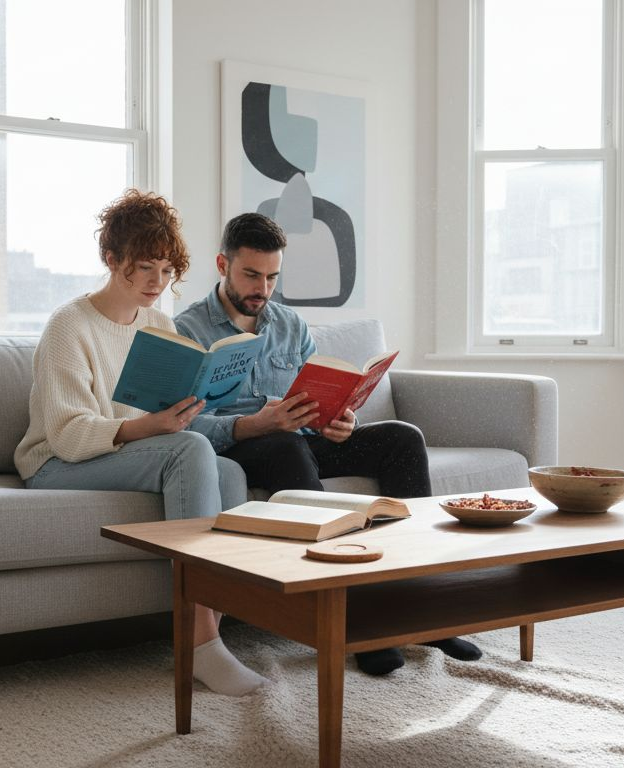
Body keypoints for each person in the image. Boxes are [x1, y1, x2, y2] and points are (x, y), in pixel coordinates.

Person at [173, 212, 484, 676]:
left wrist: (339, 419)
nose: (263, 287)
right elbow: (184, 425)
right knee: (284, 446)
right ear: (223, 264)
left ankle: (419, 606)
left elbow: (315, 392)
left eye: (273, 276)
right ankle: (352, 619)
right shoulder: (188, 330)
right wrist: (254, 424)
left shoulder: (289, 324)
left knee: (402, 438)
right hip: (243, 447)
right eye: (251, 275)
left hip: (300, 440)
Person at [14, 191, 266, 696]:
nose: (158, 283)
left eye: (168, 270)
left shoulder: (158, 325)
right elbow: (64, 434)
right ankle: (199, 645)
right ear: (111, 260)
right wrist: (146, 428)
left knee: (231, 473)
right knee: (194, 452)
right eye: (145, 268)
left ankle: (216, 623)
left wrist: (188, 407)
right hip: (59, 462)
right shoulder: (70, 325)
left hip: (130, 452)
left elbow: (161, 412)